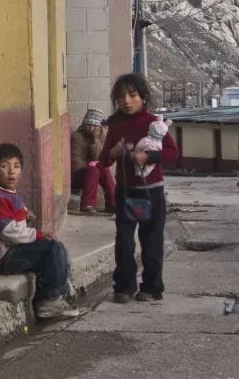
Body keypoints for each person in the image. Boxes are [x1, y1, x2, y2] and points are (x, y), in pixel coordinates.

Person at [0, 143, 80, 320]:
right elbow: (9, 232)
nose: (11, 172)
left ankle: (56, 293)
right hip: (5, 256)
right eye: (4, 166)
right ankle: (49, 302)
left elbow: (16, 209)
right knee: (52, 249)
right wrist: (38, 234)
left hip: (13, 250)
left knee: (54, 249)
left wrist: (25, 213)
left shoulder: (8, 193)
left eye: (16, 167)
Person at [102, 73, 179, 304]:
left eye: (132, 95)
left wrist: (149, 156)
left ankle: (152, 287)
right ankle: (124, 286)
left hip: (152, 191)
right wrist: (115, 152)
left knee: (152, 241)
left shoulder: (154, 123)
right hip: (125, 191)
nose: (126, 101)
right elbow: (104, 160)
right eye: (121, 97)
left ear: (143, 97)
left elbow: (173, 153)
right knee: (124, 241)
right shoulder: (114, 125)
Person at [70, 108, 116, 213]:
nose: (91, 129)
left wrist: (95, 141)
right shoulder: (77, 137)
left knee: (102, 167)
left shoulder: (102, 137)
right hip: (77, 175)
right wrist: (89, 165)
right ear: (83, 124)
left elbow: (101, 159)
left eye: (95, 126)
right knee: (93, 169)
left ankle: (112, 203)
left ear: (99, 128)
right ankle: (87, 205)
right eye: (88, 125)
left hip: (93, 172)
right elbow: (74, 164)